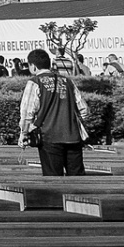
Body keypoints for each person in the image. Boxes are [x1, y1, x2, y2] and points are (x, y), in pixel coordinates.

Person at [19, 47, 92, 176]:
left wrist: (24, 133)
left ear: (33, 67)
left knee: (53, 180)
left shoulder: (34, 82)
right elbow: (84, 109)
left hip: (49, 137)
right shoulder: (67, 81)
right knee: (78, 180)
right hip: (73, 136)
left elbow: (27, 113)